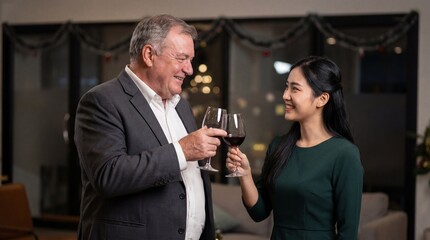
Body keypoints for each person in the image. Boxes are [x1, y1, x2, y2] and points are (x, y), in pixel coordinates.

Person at [74, 14, 227, 240]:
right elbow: (109, 176)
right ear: (149, 55)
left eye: (191, 60)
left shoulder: (181, 106)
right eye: (182, 58)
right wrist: (182, 151)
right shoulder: (101, 101)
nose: (190, 70)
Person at [226, 56, 364, 239]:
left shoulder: (345, 154)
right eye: (286, 86)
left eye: (295, 89)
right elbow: (259, 212)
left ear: (321, 99)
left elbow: (348, 234)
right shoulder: (278, 146)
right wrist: (245, 174)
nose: (285, 95)